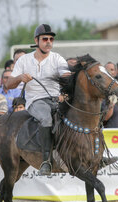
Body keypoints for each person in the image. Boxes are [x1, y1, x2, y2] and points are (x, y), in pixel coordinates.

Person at [6, 23, 70, 175]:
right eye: (45, 39)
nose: (49, 42)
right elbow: (9, 84)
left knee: (81, 115)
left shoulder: (58, 58)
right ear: (36, 40)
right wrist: (20, 77)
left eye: (51, 39)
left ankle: (94, 157)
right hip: (36, 101)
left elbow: (65, 74)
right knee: (46, 120)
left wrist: (68, 76)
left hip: (57, 99)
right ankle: (46, 161)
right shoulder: (24, 60)